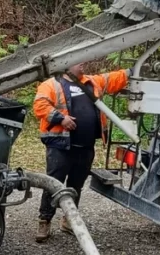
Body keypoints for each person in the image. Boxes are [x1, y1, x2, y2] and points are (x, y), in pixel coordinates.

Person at [32, 61, 130, 242]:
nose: (83, 63)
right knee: (53, 184)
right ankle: (44, 221)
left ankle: (68, 220)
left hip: (86, 146)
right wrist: (61, 119)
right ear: (67, 64)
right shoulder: (52, 84)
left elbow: (111, 79)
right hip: (60, 146)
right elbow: (40, 105)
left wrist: (131, 71)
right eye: (79, 61)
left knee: (76, 185)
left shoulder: (92, 82)